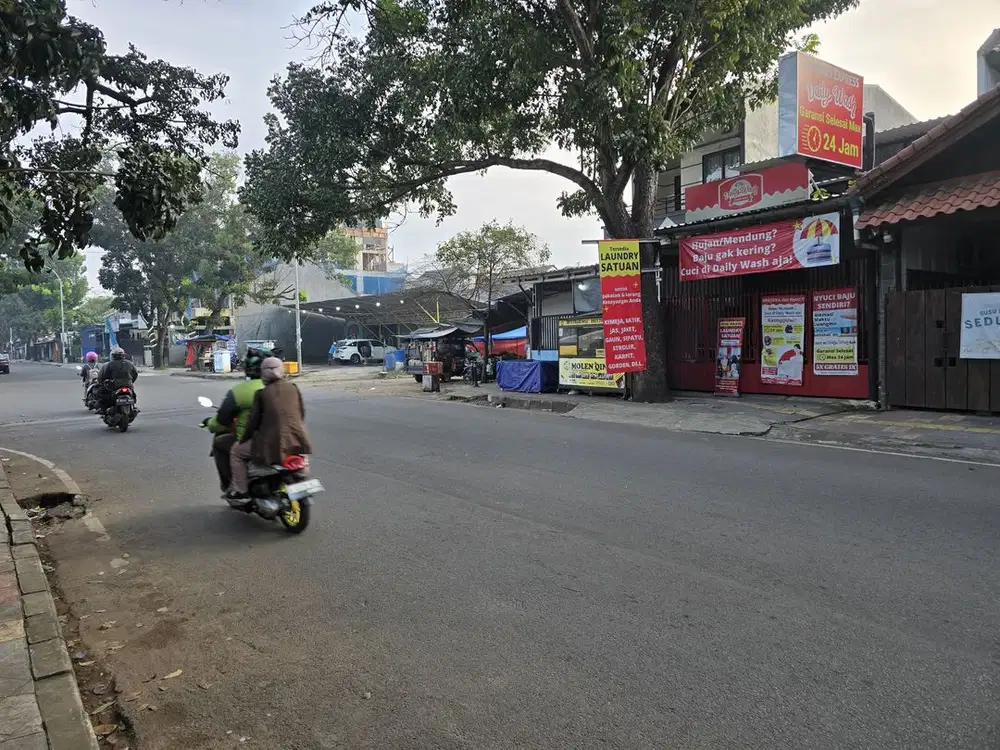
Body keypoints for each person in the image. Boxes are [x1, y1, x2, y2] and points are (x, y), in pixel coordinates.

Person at [226, 357, 311, 500]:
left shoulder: (262, 394)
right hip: (298, 441)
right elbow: (301, 414)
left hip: (273, 445)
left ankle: (241, 491)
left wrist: (243, 439)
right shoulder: (294, 388)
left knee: (236, 452)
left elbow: (253, 422)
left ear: (263, 374)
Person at [203, 350, 266, 492]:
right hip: (286, 438)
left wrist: (209, 423)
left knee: (222, 445)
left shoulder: (240, 391)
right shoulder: (283, 388)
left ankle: (235, 488)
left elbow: (222, 420)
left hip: (255, 440)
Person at [98, 346, 139, 413]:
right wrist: (131, 381)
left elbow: (105, 376)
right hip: (128, 385)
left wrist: (103, 382)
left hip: (115, 385)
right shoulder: (129, 363)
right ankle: (133, 407)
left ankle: (104, 409)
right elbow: (135, 374)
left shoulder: (110, 364)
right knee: (133, 394)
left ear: (114, 356)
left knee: (103, 394)